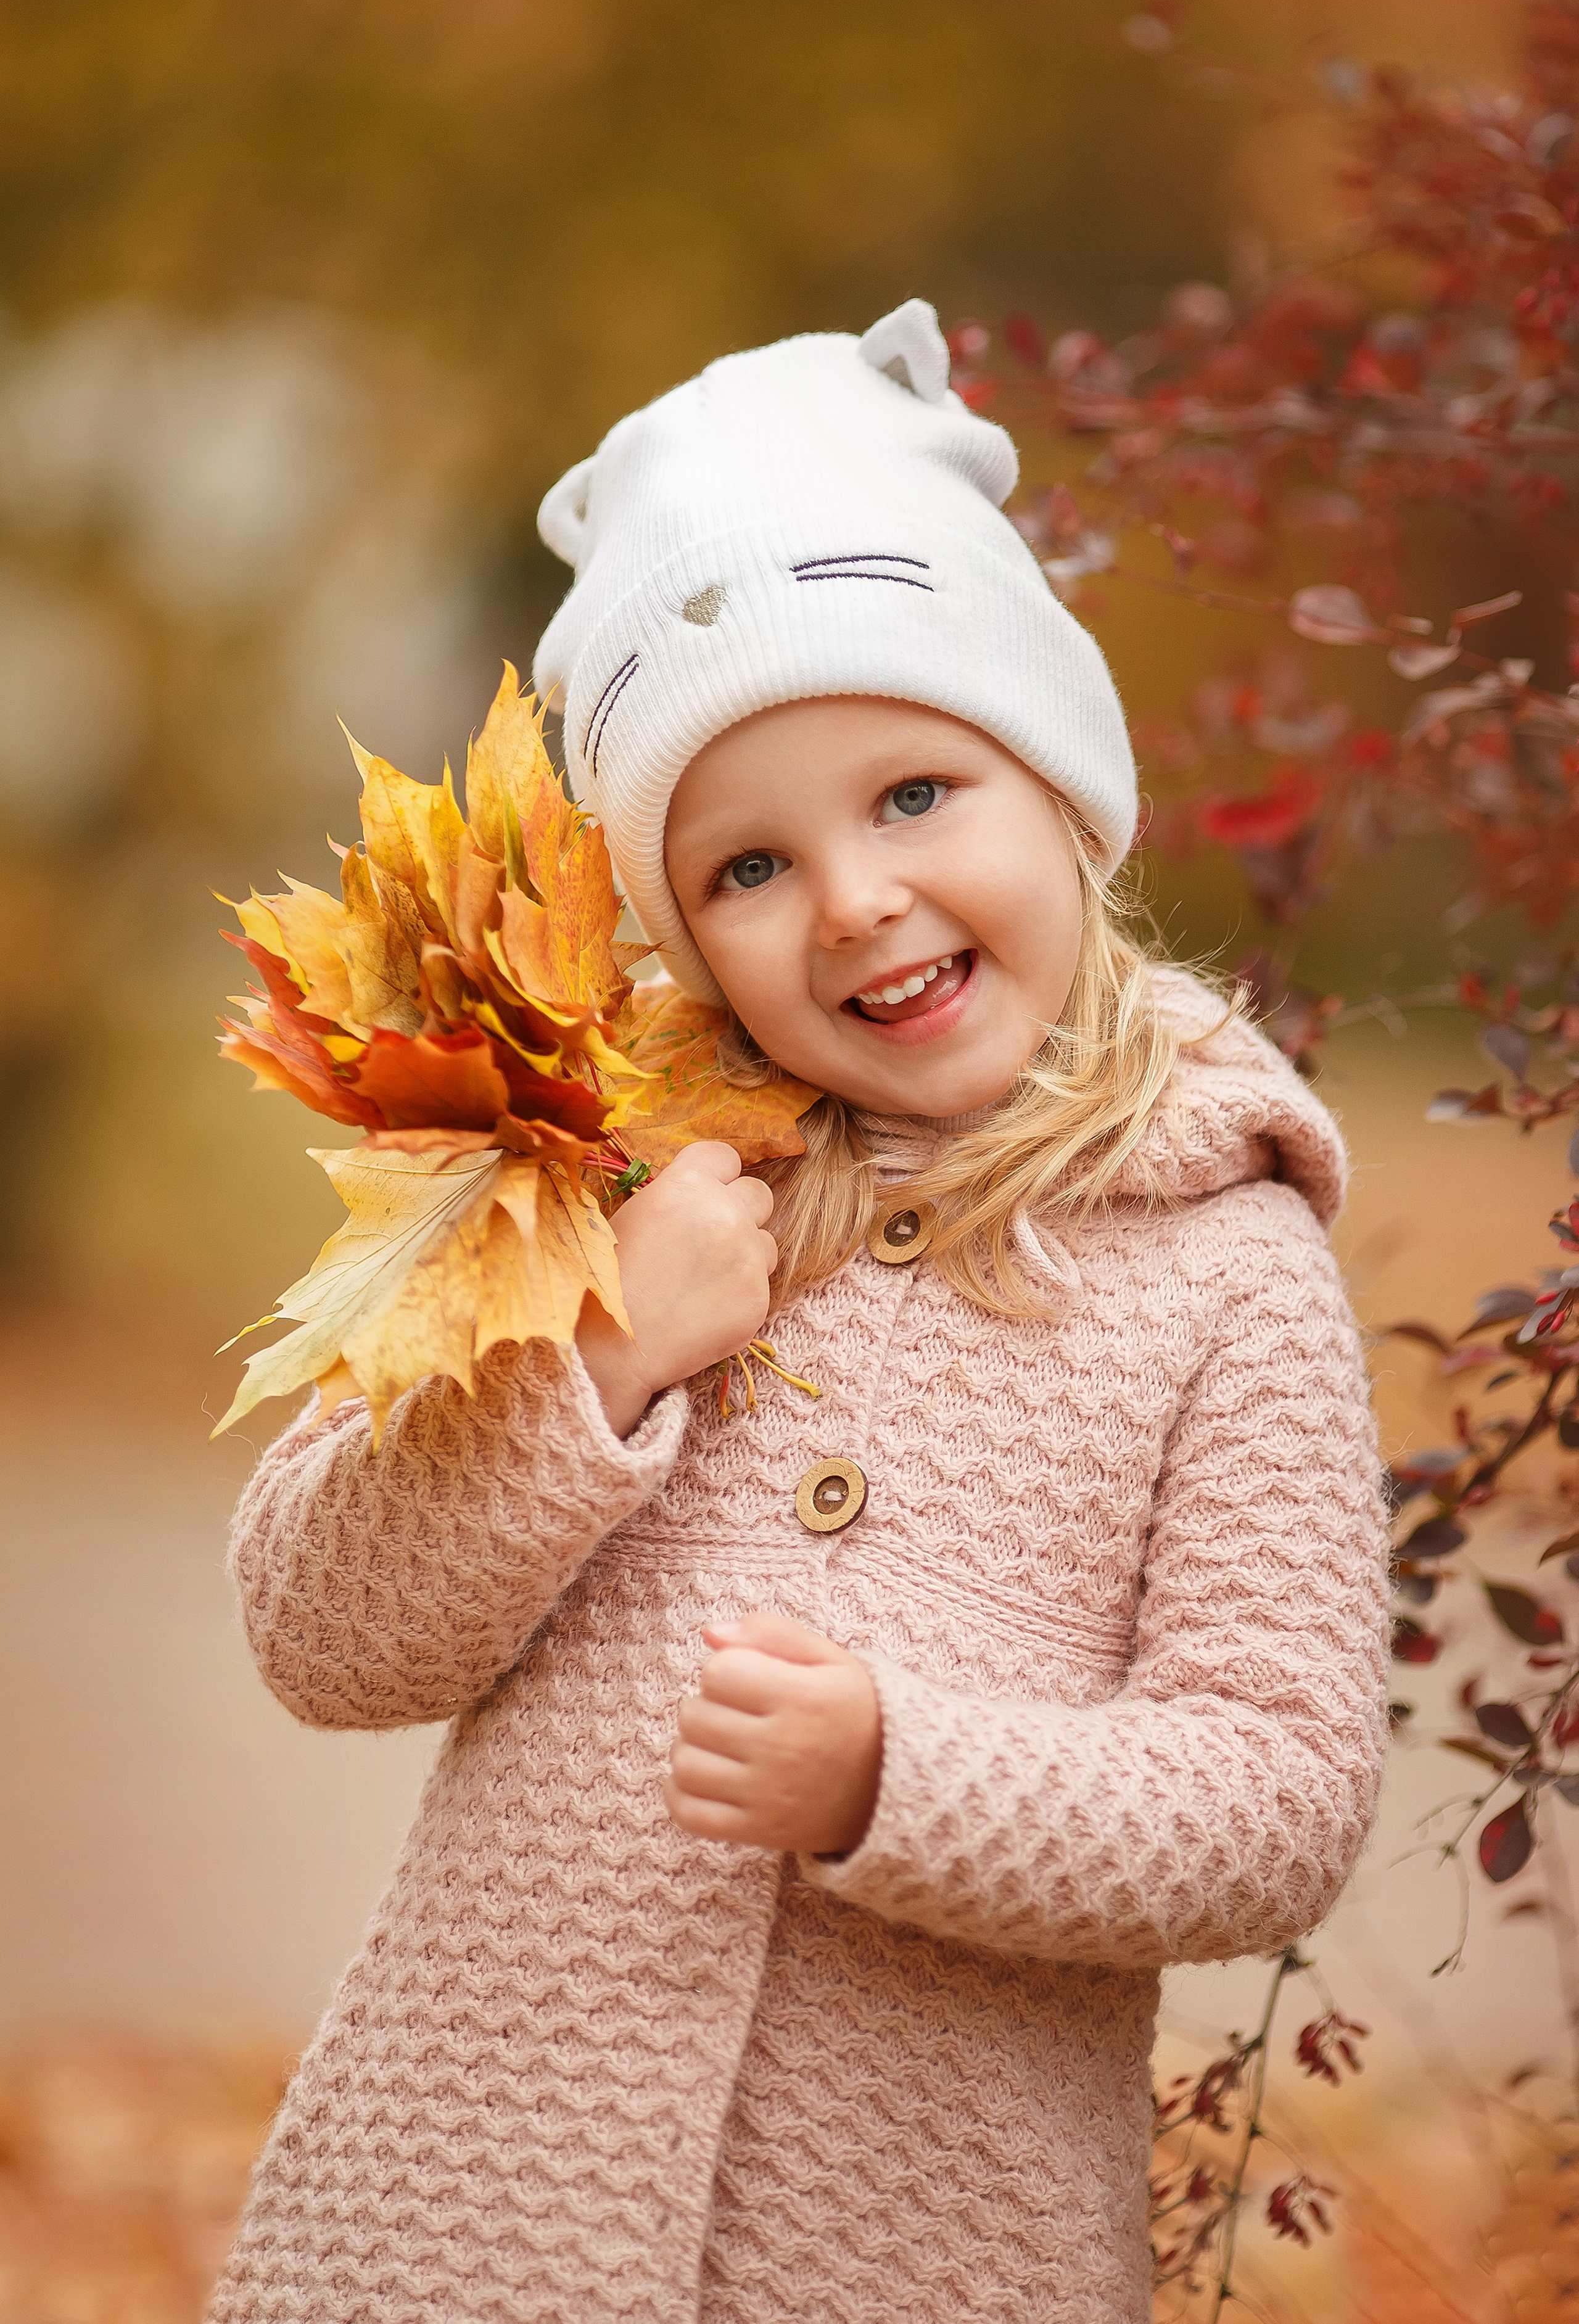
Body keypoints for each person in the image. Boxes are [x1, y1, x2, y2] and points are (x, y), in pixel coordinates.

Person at [208, 300, 1390, 2324]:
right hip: (468, 2229)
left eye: (917, 793)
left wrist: (895, 1778)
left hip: (919, 2246)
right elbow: (316, 1629)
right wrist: (601, 1360)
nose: (850, 898)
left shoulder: (1223, 1258)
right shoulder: (595, 1182)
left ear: (1061, 787)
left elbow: (1277, 1792)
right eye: (749, 860)